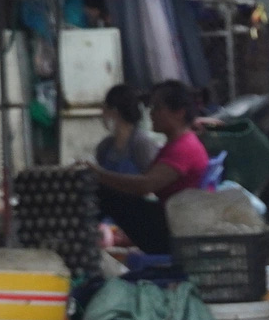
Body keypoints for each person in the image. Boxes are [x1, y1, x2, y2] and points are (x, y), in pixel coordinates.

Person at [85, 80, 210, 255]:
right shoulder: (174, 144)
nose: (151, 114)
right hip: (170, 221)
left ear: (179, 113)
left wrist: (99, 175)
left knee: (101, 192)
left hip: (174, 233)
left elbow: (145, 186)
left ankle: (79, 251)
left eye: (157, 108)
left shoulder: (184, 148)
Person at [94, 83, 162, 176]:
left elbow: (153, 180)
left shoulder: (141, 143)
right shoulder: (105, 146)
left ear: (114, 111)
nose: (102, 115)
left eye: (105, 109)